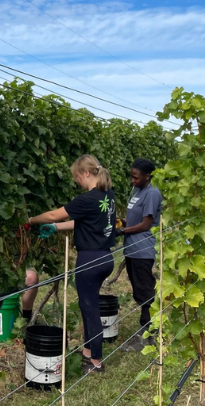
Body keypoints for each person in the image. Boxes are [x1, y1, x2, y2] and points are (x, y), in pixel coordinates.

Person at [27, 155, 116, 374]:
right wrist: (57, 228)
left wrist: (31, 221)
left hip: (89, 260)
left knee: (90, 308)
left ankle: (95, 361)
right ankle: (88, 351)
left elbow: (52, 214)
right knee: (89, 304)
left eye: (77, 176)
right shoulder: (107, 195)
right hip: (105, 257)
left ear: (85, 173)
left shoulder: (86, 198)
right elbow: (83, 219)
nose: (76, 181)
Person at [120, 158, 163, 351]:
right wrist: (122, 223)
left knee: (145, 292)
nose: (132, 181)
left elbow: (146, 224)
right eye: (131, 177)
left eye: (136, 178)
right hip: (132, 249)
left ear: (148, 176)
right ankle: (147, 331)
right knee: (139, 292)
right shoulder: (138, 191)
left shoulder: (152, 193)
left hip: (143, 250)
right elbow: (134, 219)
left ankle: (148, 335)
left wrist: (123, 231)